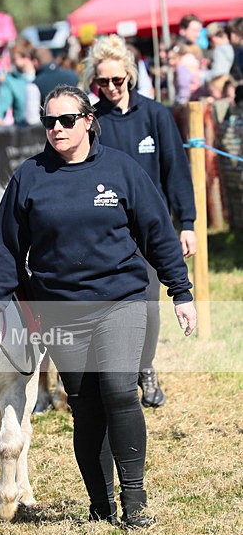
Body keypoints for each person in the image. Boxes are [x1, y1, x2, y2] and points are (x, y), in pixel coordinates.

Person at [0, 85, 196, 528]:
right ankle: (101, 505)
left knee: (118, 389)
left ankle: (134, 502)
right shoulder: (30, 176)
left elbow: (157, 232)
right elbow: (4, 246)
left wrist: (181, 291)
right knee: (85, 403)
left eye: (66, 120)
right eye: (48, 122)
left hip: (121, 300)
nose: (56, 129)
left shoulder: (121, 169)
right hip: (61, 308)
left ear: (88, 121)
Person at [83, 34, 197, 407]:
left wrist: (189, 223)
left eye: (119, 80)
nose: (113, 88)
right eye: (104, 82)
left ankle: (145, 369)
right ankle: (114, 373)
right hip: (106, 230)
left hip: (151, 229)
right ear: (94, 83)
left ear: (130, 76)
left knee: (147, 303)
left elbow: (176, 172)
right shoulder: (91, 122)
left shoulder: (156, 115)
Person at [0, 39, 36, 126]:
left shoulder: (40, 76)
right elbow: (3, 100)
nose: (13, 61)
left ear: (27, 57)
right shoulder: (10, 80)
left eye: (15, 58)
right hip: (23, 129)